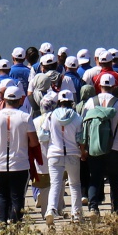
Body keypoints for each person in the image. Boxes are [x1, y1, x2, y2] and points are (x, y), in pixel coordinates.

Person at [0, 83, 41, 223]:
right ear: (20, 100)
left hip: (0, 164)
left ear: (3, 99)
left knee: (2, 196)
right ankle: (15, 225)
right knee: (17, 196)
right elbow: (34, 142)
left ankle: (1, 225)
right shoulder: (25, 117)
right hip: (20, 164)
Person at [82, 74, 118, 215]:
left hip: (95, 147)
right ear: (114, 87)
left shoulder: (90, 103)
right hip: (115, 147)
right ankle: (116, 210)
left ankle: (93, 207)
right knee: (115, 179)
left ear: (99, 86)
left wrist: (83, 148)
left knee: (95, 178)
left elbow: (84, 127)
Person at [43, 89, 84, 221]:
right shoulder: (77, 118)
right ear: (72, 102)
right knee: (74, 184)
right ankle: (76, 214)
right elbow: (80, 139)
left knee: (55, 184)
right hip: (73, 154)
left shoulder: (50, 116)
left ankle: (51, 210)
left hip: (54, 154)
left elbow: (43, 135)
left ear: (59, 102)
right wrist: (83, 151)